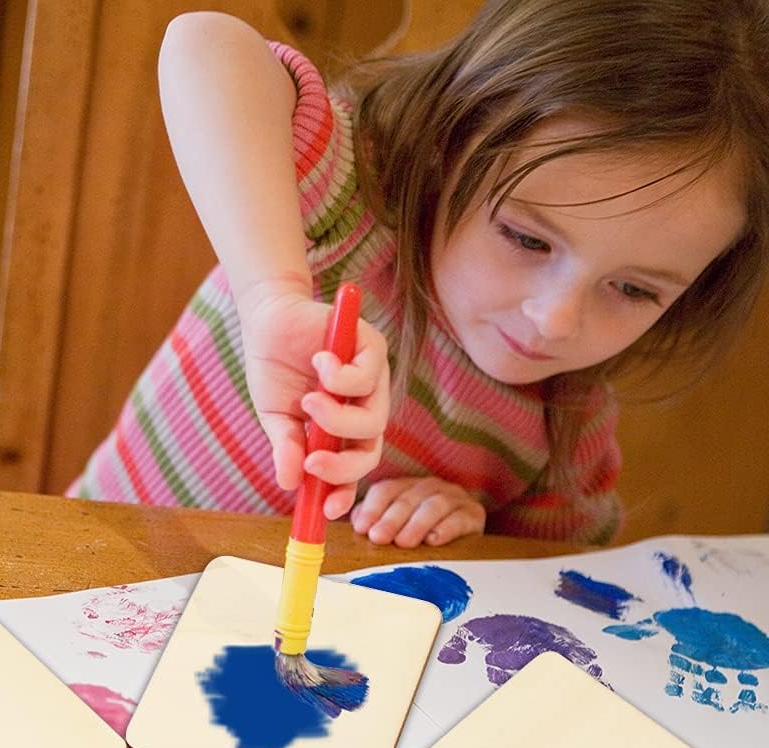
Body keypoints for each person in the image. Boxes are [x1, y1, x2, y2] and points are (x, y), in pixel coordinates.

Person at [68, 1, 768, 547]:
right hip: (90, 587)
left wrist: (467, 534)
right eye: (526, 238)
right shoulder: (344, 206)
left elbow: (541, 608)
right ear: (450, 139)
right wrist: (272, 295)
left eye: (634, 288)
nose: (555, 318)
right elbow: (203, 46)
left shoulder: (566, 436)